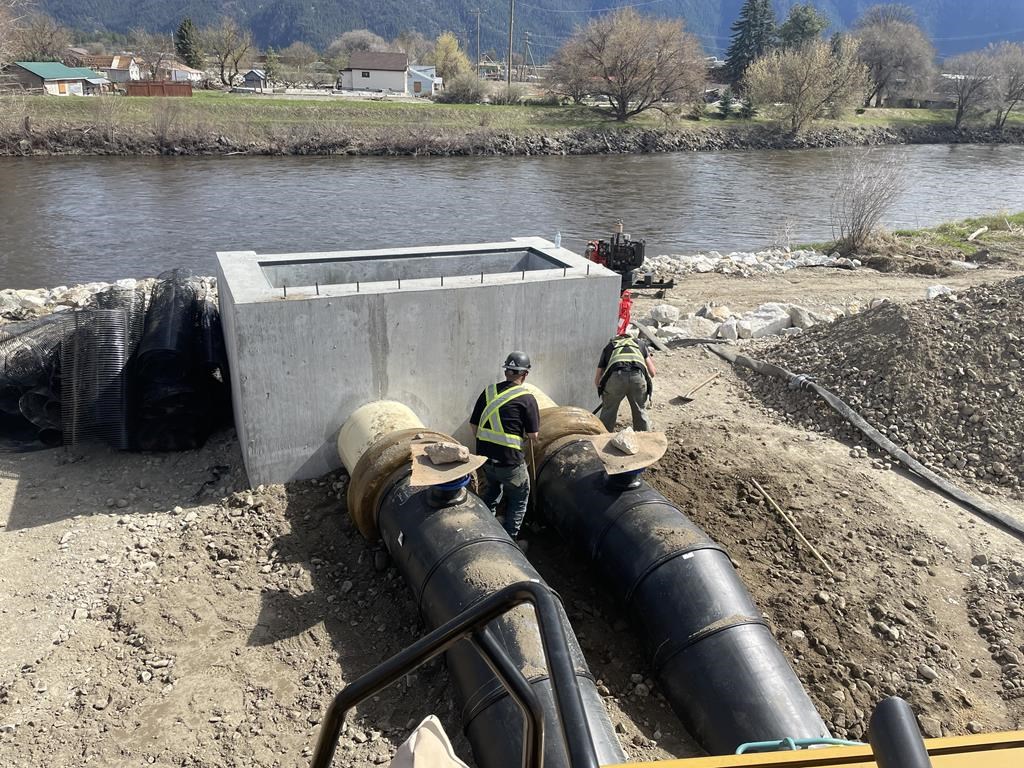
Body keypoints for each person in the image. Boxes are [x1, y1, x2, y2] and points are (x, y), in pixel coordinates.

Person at [469, 351, 540, 541]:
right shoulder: (527, 398)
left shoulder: (488, 391)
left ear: (507, 372)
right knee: (519, 498)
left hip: (485, 459)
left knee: (491, 493)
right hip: (510, 463)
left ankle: (487, 534)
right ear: (525, 374)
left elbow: (474, 426)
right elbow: (533, 435)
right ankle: (510, 542)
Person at [595, 333, 656, 432]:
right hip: (638, 378)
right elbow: (652, 372)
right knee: (640, 411)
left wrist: (607, 396)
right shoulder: (640, 344)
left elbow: (597, 380)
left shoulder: (610, 346)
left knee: (608, 413)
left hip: (616, 379)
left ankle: (603, 439)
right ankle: (645, 440)